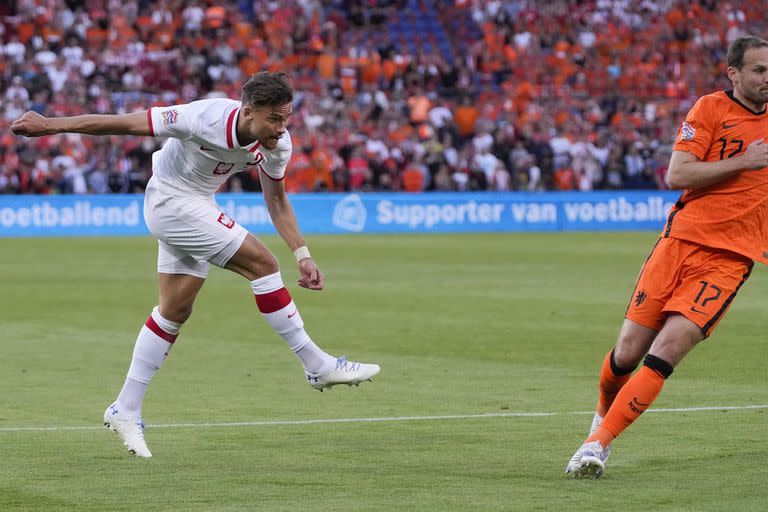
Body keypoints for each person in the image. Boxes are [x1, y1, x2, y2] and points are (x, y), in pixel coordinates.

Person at [10, 71, 381, 458]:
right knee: (263, 264)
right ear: (248, 111)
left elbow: (277, 200)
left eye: (286, 117)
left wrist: (302, 254)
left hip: (199, 204)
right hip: (169, 201)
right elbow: (122, 123)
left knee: (174, 311)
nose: (281, 128)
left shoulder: (277, 144)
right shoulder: (199, 117)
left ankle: (125, 407)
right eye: (274, 118)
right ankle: (316, 364)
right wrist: (50, 125)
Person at [565, 35, 768, 479]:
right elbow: (678, 172)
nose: (767, 78)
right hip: (679, 243)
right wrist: (745, 163)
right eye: (759, 70)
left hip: (730, 260)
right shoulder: (711, 109)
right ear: (734, 73)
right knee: (626, 354)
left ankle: (597, 445)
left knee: (667, 349)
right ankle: (601, 416)